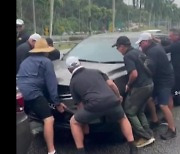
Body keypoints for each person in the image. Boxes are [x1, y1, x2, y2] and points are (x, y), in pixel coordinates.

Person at [65, 56, 138, 154]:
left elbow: (80, 105)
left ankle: (81, 151)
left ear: (69, 69)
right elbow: (112, 85)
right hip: (111, 100)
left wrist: (84, 122)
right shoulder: (96, 71)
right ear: (80, 64)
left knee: (74, 122)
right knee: (122, 118)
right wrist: (118, 97)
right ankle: (133, 147)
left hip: (94, 105)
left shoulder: (73, 82)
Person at [16, 38, 66, 154]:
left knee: (23, 119)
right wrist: (57, 103)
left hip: (20, 92)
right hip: (33, 93)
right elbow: (51, 84)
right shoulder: (46, 62)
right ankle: (51, 150)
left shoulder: (26, 61)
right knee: (49, 119)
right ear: (46, 51)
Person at [112, 36, 155, 148]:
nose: (118, 50)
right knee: (139, 110)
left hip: (140, 87)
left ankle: (145, 137)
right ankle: (148, 132)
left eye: (117, 47)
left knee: (129, 112)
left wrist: (128, 85)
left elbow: (134, 74)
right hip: (149, 84)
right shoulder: (138, 52)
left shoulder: (128, 56)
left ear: (122, 46)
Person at [136, 32, 176, 140]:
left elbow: (150, 69)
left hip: (164, 80)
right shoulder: (154, 47)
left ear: (147, 42)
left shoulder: (153, 51)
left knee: (163, 105)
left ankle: (172, 129)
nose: (140, 45)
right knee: (150, 99)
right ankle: (155, 120)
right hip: (161, 78)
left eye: (141, 43)